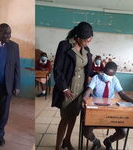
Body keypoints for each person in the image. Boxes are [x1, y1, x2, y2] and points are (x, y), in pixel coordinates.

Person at [52, 21, 93, 150]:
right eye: (86, 40)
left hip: (80, 90)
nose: (88, 43)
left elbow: (88, 69)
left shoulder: (86, 49)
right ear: (78, 37)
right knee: (65, 118)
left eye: (90, 40)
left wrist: (95, 76)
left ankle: (67, 141)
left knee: (74, 116)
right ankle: (58, 146)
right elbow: (57, 69)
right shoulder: (64, 45)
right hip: (67, 89)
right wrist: (64, 88)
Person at [82, 62, 133, 150]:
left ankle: (109, 141)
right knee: (86, 131)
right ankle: (96, 142)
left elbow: (122, 94)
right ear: (103, 70)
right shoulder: (97, 78)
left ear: (114, 74)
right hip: (97, 109)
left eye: (110, 75)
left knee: (123, 132)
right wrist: (84, 98)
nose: (107, 76)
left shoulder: (115, 80)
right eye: (106, 73)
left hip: (110, 110)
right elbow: (89, 90)